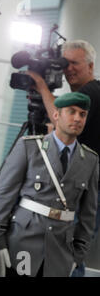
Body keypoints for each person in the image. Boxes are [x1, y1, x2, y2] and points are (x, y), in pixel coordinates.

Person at [0, 92, 98, 277]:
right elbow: (3, 196)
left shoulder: (90, 160)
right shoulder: (30, 147)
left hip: (61, 249)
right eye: (71, 112)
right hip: (23, 240)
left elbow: (89, 215)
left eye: (82, 114)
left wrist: (78, 256)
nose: (77, 118)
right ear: (56, 115)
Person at [27, 40, 100, 275]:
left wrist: (40, 85)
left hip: (85, 189)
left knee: (67, 254)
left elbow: (61, 121)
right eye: (64, 63)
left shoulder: (91, 91)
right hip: (83, 187)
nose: (68, 69)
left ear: (90, 66)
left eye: (74, 63)